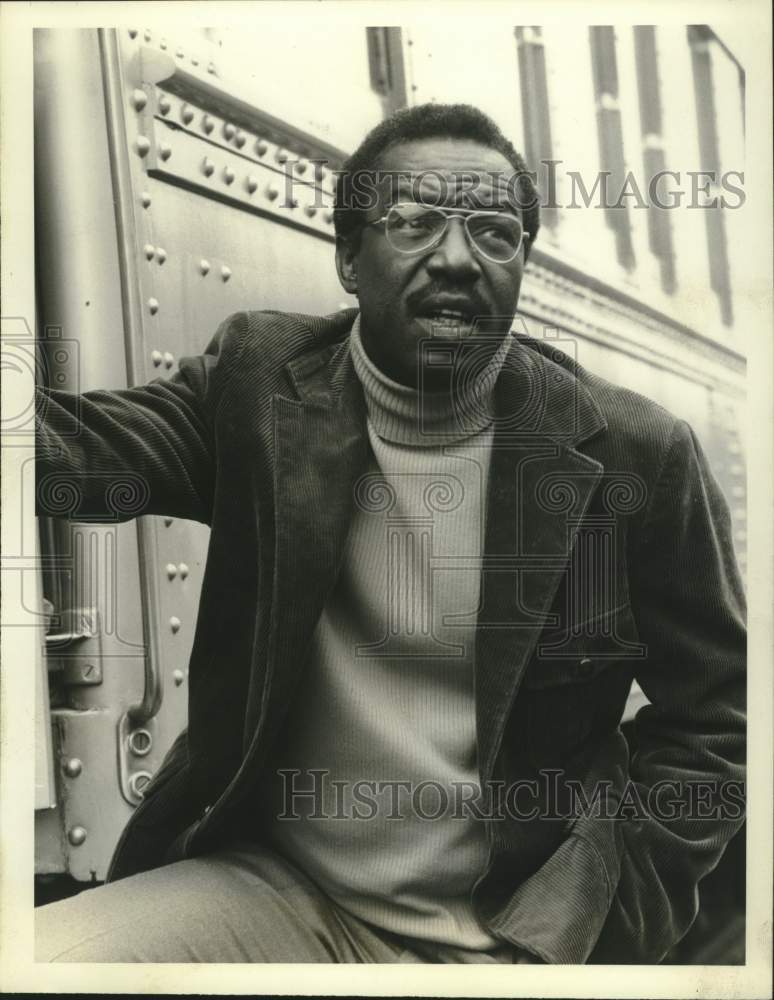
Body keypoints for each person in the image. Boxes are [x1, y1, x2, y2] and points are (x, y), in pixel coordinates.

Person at [34, 103, 746, 964]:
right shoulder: (261, 392)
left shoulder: (635, 452)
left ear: (521, 260)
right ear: (347, 257)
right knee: (49, 960)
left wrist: (610, 921)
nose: (455, 258)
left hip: (513, 928)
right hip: (282, 892)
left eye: (493, 232)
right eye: (410, 223)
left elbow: (722, 719)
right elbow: (63, 452)